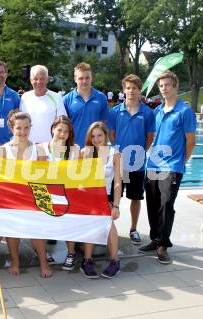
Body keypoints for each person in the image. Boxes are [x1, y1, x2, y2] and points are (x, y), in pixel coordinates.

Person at [139, 71, 196, 264]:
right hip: (153, 164)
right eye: (161, 85)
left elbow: (190, 141)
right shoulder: (158, 111)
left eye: (167, 85)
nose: (164, 88)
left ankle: (163, 244)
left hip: (171, 167)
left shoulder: (184, 111)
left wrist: (181, 162)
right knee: (153, 204)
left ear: (175, 86)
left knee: (166, 205)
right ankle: (155, 239)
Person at [0, 110, 53, 278]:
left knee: (36, 229)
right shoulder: (2, 150)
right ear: (11, 128)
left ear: (30, 128)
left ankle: (43, 262)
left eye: (26, 128)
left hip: (32, 196)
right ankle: (15, 261)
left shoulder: (38, 150)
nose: (22, 132)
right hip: (10, 198)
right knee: (12, 228)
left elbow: (44, 177)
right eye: (19, 128)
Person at [107, 74, 155, 245]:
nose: (131, 91)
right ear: (124, 90)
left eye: (134, 88)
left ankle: (133, 229)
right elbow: (111, 134)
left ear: (139, 90)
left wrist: (141, 152)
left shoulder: (148, 113)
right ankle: (108, 227)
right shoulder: (114, 112)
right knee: (112, 197)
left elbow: (150, 136)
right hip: (118, 162)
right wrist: (117, 151)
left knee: (136, 197)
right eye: (128, 88)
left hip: (137, 163)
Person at [36, 116, 81, 271]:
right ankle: (42, 252)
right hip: (46, 191)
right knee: (37, 216)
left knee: (71, 217)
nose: (62, 134)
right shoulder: (41, 147)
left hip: (66, 191)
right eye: (59, 130)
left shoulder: (74, 149)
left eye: (66, 131)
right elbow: (39, 174)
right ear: (52, 129)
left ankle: (71, 253)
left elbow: (75, 175)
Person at [80, 122, 122, 279]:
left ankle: (114, 262)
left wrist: (116, 205)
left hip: (107, 197)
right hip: (89, 197)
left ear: (106, 136)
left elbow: (118, 182)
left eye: (100, 135)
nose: (96, 139)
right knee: (90, 226)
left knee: (110, 225)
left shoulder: (115, 154)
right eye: (93, 136)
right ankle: (87, 261)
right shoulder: (85, 153)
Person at [63, 62, 109, 148]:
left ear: (91, 78)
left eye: (87, 77)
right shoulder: (66, 99)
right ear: (75, 79)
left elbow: (103, 124)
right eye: (81, 78)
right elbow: (64, 126)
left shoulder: (101, 98)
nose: (84, 81)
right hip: (73, 147)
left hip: (95, 147)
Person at [19, 65, 67, 143]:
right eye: (35, 79)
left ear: (47, 80)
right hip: (29, 147)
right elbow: (20, 122)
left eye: (42, 79)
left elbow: (63, 124)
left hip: (50, 148)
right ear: (31, 80)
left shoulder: (56, 97)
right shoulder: (25, 97)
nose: (39, 82)